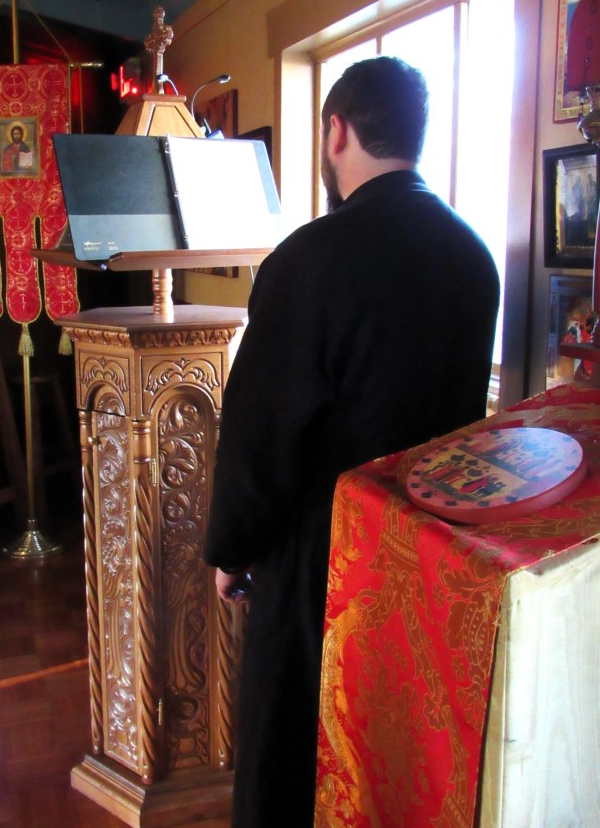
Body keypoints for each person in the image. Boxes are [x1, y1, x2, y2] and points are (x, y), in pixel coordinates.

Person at [203, 56, 500, 828]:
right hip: (428, 562)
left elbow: (261, 434)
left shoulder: (309, 259)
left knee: (290, 763)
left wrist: (232, 549)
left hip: (319, 568)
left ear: (336, 131)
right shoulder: (474, 258)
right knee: (394, 762)